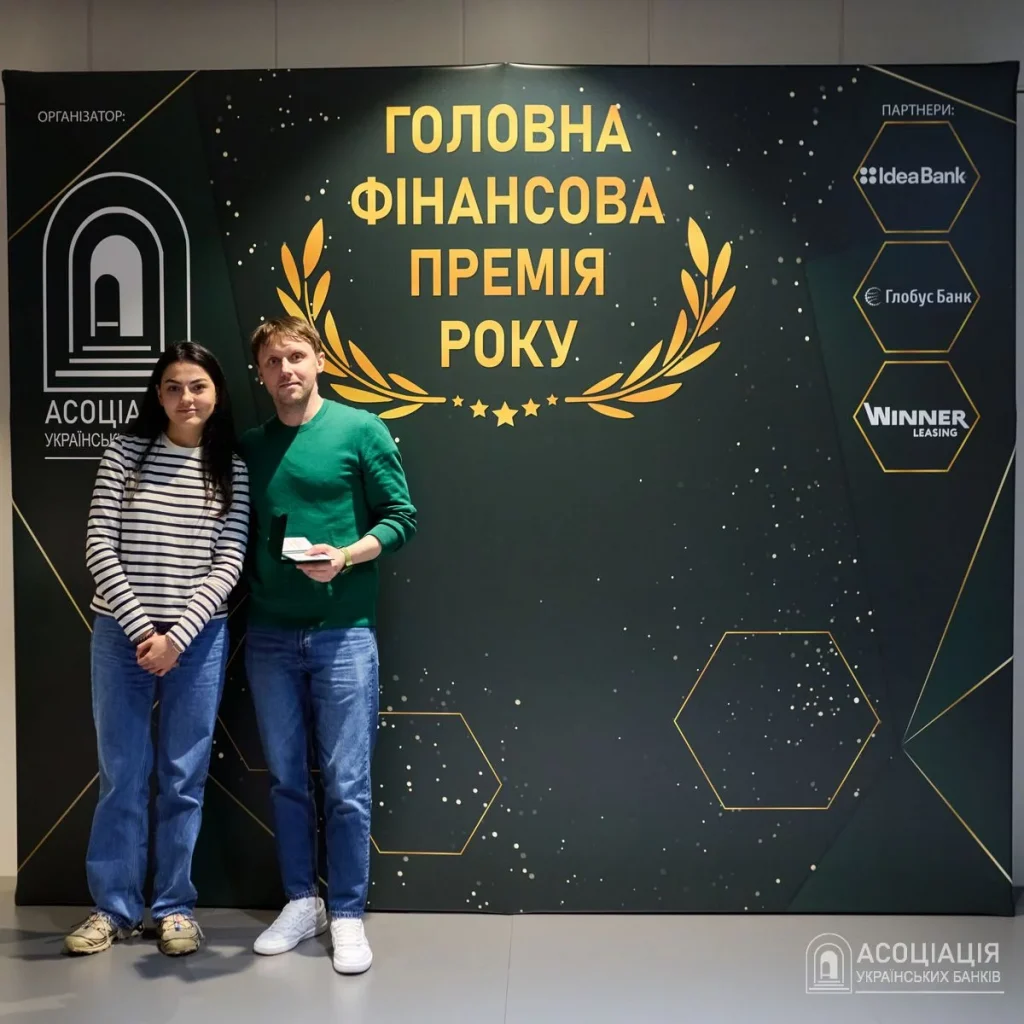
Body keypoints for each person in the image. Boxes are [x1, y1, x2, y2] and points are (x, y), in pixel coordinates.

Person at [240, 316, 416, 975]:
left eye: (296, 356)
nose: (285, 369)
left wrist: (344, 556)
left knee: (346, 783)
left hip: (344, 633)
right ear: (260, 374)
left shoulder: (360, 429)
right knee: (287, 779)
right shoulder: (250, 447)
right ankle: (300, 902)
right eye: (273, 361)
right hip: (268, 634)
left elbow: (401, 518)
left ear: (319, 361)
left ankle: (345, 912)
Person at [64, 342, 250, 957]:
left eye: (197, 386)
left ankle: (174, 908)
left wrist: (178, 637)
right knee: (121, 774)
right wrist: (145, 630)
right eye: (173, 387)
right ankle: (113, 909)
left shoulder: (232, 468)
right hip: (122, 635)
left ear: (216, 393)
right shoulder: (125, 452)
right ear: (157, 394)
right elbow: (99, 545)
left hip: (197, 639)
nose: (185, 398)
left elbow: (229, 562)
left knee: (182, 777)